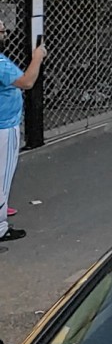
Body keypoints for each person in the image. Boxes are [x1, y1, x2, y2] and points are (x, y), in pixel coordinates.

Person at [0, 22, 46, 243]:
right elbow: (27, 82)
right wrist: (37, 57)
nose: (5, 34)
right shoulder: (1, 63)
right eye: (1, 31)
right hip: (4, 126)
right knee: (2, 178)